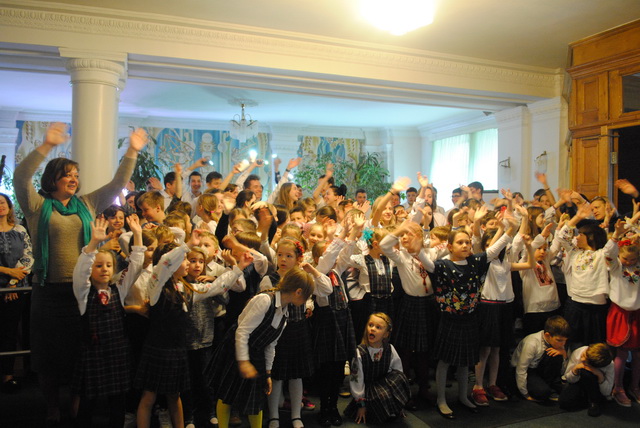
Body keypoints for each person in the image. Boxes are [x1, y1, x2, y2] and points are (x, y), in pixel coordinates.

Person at [13, 122, 147, 425]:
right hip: (48, 291)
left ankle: (75, 404)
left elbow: (118, 184)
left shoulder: (86, 203)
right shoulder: (37, 205)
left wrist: (132, 151)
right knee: (48, 357)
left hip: (82, 290)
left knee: (81, 352)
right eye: (67, 174)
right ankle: (52, 407)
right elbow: (21, 176)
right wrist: (47, 145)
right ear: (53, 179)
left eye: (76, 175)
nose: (74, 179)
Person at [135, 230, 251, 428]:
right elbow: (164, 263)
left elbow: (216, 287)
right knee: (149, 397)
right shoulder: (156, 287)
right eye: (184, 260)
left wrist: (238, 268)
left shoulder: (184, 289)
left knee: (175, 396)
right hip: (159, 349)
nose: (188, 264)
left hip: (177, 349)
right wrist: (186, 245)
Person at [419, 215, 517, 419]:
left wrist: (510, 230)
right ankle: (441, 399)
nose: (465, 245)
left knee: (465, 361)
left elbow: (494, 249)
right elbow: (427, 264)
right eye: (460, 242)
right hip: (450, 320)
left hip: (470, 318)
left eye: (467, 242)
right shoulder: (443, 265)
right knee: (445, 361)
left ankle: (463, 396)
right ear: (450, 246)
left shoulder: (475, 262)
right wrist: (417, 249)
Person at [207, 267, 315, 428]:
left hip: (256, 353)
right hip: (236, 349)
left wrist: (268, 373)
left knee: (255, 400)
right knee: (227, 395)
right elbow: (242, 332)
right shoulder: (265, 300)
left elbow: (271, 345)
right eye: (307, 296)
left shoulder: (284, 312)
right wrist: (243, 361)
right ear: (298, 292)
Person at [71, 216, 145, 428]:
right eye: (99, 266)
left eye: (108, 265)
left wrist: (138, 235)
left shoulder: (118, 290)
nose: (104, 269)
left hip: (117, 353)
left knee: (117, 403)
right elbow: (80, 272)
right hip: (94, 353)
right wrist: (94, 244)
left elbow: (135, 266)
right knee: (88, 402)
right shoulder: (84, 294)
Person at [261, 239, 331, 428]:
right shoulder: (269, 279)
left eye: (289, 256)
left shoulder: (303, 277)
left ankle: (296, 415)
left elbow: (326, 289)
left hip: (298, 329)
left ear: (298, 258)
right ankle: (274, 416)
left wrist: (312, 270)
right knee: (276, 376)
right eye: (280, 255)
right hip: (277, 332)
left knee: (296, 375)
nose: (283, 259)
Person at [556, 203, 609, 347]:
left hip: (596, 306)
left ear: (590, 237)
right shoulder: (575, 253)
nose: (577, 237)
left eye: (580, 234)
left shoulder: (602, 254)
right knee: (572, 342)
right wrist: (577, 217)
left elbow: (612, 247)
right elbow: (562, 236)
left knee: (595, 344)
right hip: (575, 303)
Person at [343, 313, 410, 425]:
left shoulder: (389, 349)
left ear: (386, 334)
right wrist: (361, 404)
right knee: (382, 396)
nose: (373, 329)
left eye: (378, 327)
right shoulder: (360, 352)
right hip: (369, 389)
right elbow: (357, 380)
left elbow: (398, 371)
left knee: (400, 377)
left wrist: (399, 402)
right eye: (371, 325)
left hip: (384, 383)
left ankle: (393, 408)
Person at [0, 193, 33, 393]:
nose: (1, 206)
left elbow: (28, 257)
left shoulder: (20, 229)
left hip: (16, 289)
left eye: (3, 202)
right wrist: (7, 272)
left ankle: (8, 375)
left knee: (10, 332)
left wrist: (12, 283)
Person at [605, 219, 640, 406]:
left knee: (637, 354)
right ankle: (618, 388)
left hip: (637, 313)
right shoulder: (616, 267)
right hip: (620, 313)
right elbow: (608, 253)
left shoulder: (638, 266)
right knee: (621, 352)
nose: (629, 262)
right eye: (626, 259)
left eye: (633, 260)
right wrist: (616, 235)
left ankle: (635, 386)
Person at [511, 315, 570, 402]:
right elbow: (521, 370)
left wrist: (564, 355)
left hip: (539, 367)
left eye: (565, 340)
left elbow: (562, 372)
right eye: (559, 340)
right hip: (526, 370)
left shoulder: (558, 342)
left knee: (568, 391)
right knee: (543, 393)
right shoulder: (531, 343)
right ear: (547, 335)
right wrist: (525, 394)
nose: (563, 344)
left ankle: (550, 386)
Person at [559, 343, 614, 417]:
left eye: (586, 361)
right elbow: (568, 379)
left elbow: (606, 392)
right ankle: (587, 399)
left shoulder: (610, 365)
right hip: (578, 381)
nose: (582, 359)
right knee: (564, 402)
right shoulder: (579, 351)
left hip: (596, 386)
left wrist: (600, 375)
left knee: (587, 373)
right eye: (583, 355)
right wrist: (575, 370)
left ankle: (594, 401)